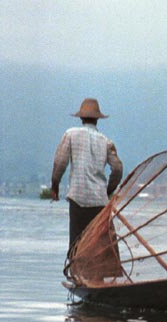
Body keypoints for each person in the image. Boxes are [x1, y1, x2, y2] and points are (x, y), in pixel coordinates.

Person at [51, 98, 123, 251]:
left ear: (81, 118)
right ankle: (103, 274)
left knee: (78, 246)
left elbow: (60, 163)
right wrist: (108, 191)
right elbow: (117, 169)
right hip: (99, 202)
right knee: (103, 249)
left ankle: (78, 272)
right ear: (97, 119)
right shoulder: (106, 141)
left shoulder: (70, 134)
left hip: (78, 200)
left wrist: (55, 185)